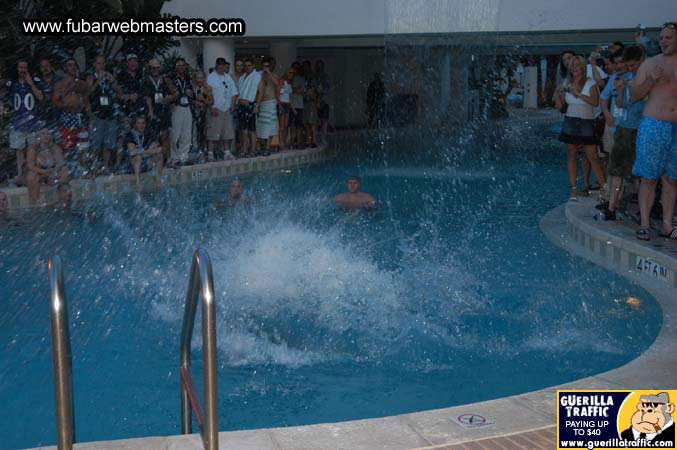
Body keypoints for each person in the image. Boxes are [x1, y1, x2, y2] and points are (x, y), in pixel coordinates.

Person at [630, 22, 677, 241]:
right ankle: (645, 223)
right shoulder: (650, 64)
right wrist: (650, 80)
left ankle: (667, 224)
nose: (663, 41)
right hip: (654, 125)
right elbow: (634, 95)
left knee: (672, 178)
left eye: (668, 38)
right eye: (662, 38)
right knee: (649, 178)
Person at [598, 46, 645, 222]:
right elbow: (621, 103)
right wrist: (621, 90)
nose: (629, 68)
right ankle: (611, 206)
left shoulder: (645, 77)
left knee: (639, 174)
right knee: (616, 169)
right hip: (623, 128)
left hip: (640, 128)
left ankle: (642, 208)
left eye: (632, 64)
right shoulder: (620, 78)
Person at [555, 55, 607, 201]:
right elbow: (561, 108)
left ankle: (605, 187)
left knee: (593, 157)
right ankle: (573, 188)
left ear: (583, 68)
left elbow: (595, 102)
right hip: (570, 121)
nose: (574, 68)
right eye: (572, 66)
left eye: (577, 65)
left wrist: (577, 94)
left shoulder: (590, 84)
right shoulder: (566, 83)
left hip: (586, 122)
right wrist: (557, 95)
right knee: (571, 155)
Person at [5, 60, 44, 185]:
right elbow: (6, 99)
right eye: (20, 67)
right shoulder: (12, 83)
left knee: (34, 149)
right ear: (17, 69)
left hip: (33, 122)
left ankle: (35, 173)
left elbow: (41, 97)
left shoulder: (35, 82)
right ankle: (20, 174)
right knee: (19, 150)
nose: (23, 70)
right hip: (18, 122)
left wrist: (31, 83)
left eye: (25, 67)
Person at [53, 58, 93, 177]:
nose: (72, 67)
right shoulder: (61, 84)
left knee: (83, 146)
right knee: (68, 145)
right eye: (69, 65)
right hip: (68, 116)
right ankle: (68, 171)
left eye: (74, 65)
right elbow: (54, 100)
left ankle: (83, 170)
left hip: (80, 116)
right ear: (65, 68)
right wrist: (65, 104)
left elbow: (86, 101)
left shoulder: (81, 83)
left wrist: (90, 118)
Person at [87, 55, 122, 174]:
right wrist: (98, 81)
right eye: (98, 63)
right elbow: (88, 92)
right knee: (96, 144)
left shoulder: (109, 77)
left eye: (102, 64)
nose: (100, 66)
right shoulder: (91, 77)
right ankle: (94, 166)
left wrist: (113, 81)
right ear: (94, 64)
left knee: (108, 144)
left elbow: (119, 92)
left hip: (110, 114)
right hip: (97, 115)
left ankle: (106, 166)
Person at [26, 128, 70, 204]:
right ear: (38, 136)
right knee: (31, 176)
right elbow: (30, 166)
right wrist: (44, 172)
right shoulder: (33, 148)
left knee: (65, 170)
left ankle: (63, 199)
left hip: (52, 174)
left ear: (51, 136)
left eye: (48, 134)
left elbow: (61, 163)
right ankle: (36, 203)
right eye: (43, 134)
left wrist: (54, 175)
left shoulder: (55, 148)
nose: (46, 136)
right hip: (39, 173)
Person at [206, 57, 237, 160]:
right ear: (216, 66)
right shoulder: (211, 77)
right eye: (220, 65)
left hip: (226, 108)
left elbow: (234, 93)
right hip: (215, 108)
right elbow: (207, 94)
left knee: (227, 132)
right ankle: (210, 153)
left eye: (223, 65)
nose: (222, 67)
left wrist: (232, 105)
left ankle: (227, 152)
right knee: (213, 133)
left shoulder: (228, 77)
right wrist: (211, 107)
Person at [144, 58, 175, 164]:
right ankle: (155, 160)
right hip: (153, 112)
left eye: (157, 68)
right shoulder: (147, 80)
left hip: (163, 111)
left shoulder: (164, 79)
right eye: (153, 68)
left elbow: (174, 93)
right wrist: (150, 111)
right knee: (154, 137)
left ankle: (169, 159)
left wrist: (168, 99)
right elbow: (147, 97)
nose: (155, 70)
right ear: (150, 68)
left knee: (165, 136)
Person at [125, 116, 163, 191]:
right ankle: (138, 184)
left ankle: (158, 182)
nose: (141, 125)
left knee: (159, 156)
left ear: (145, 125)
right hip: (132, 165)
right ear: (135, 125)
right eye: (138, 123)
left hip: (145, 161)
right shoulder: (130, 135)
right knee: (138, 157)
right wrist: (148, 151)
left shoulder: (149, 133)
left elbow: (158, 149)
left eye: (143, 123)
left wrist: (143, 152)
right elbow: (132, 152)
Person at [170, 58, 194, 166]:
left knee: (187, 134)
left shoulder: (188, 78)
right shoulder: (172, 79)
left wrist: (191, 94)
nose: (181, 67)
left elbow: (192, 93)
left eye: (183, 66)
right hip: (177, 107)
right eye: (179, 65)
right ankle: (175, 158)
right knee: (175, 134)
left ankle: (184, 156)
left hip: (187, 106)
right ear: (176, 67)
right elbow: (169, 93)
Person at [238, 58, 262, 156]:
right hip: (241, 106)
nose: (247, 67)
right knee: (244, 130)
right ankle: (244, 149)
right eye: (246, 65)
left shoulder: (257, 76)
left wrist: (257, 105)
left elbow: (260, 92)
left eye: (249, 65)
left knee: (252, 129)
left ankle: (253, 149)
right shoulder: (243, 77)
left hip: (251, 105)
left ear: (253, 66)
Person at [255, 57, 279, 155]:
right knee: (261, 126)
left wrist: (268, 73)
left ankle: (268, 147)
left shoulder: (273, 75)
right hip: (261, 103)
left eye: (267, 66)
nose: (265, 68)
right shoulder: (259, 75)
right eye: (264, 66)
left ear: (270, 66)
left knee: (270, 126)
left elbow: (278, 84)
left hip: (271, 102)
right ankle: (263, 146)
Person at [191, 71, 214, 159]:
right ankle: (194, 151)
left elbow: (212, 101)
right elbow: (188, 100)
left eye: (201, 78)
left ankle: (202, 152)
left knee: (203, 133)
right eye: (198, 78)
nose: (200, 80)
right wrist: (195, 101)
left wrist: (204, 100)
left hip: (204, 113)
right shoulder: (192, 87)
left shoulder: (208, 88)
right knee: (194, 134)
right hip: (193, 114)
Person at [290, 61, 305, 148]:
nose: (295, 69)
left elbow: (301, 90)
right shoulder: (289, 78)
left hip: (299, 105)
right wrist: (294, 89)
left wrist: (292, 89)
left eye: (297, 67)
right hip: (290, 105)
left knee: (299, 125)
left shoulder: (301, 79)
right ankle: (292, 142)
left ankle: (299, 142)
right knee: (291, 125)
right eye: (294, 67)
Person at [277, 68, 294, 150]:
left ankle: (283, 142)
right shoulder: (282, 81)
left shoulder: (289, 83)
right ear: (286, 73)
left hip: (287, 104)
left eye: (293, 73)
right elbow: (277, 93)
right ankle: (281, 144)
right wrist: (279, 105)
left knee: (286, 125)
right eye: (290, 72)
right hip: (282, 104)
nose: (291, 74)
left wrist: (293, 108)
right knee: (281, 126)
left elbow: (289, 97)